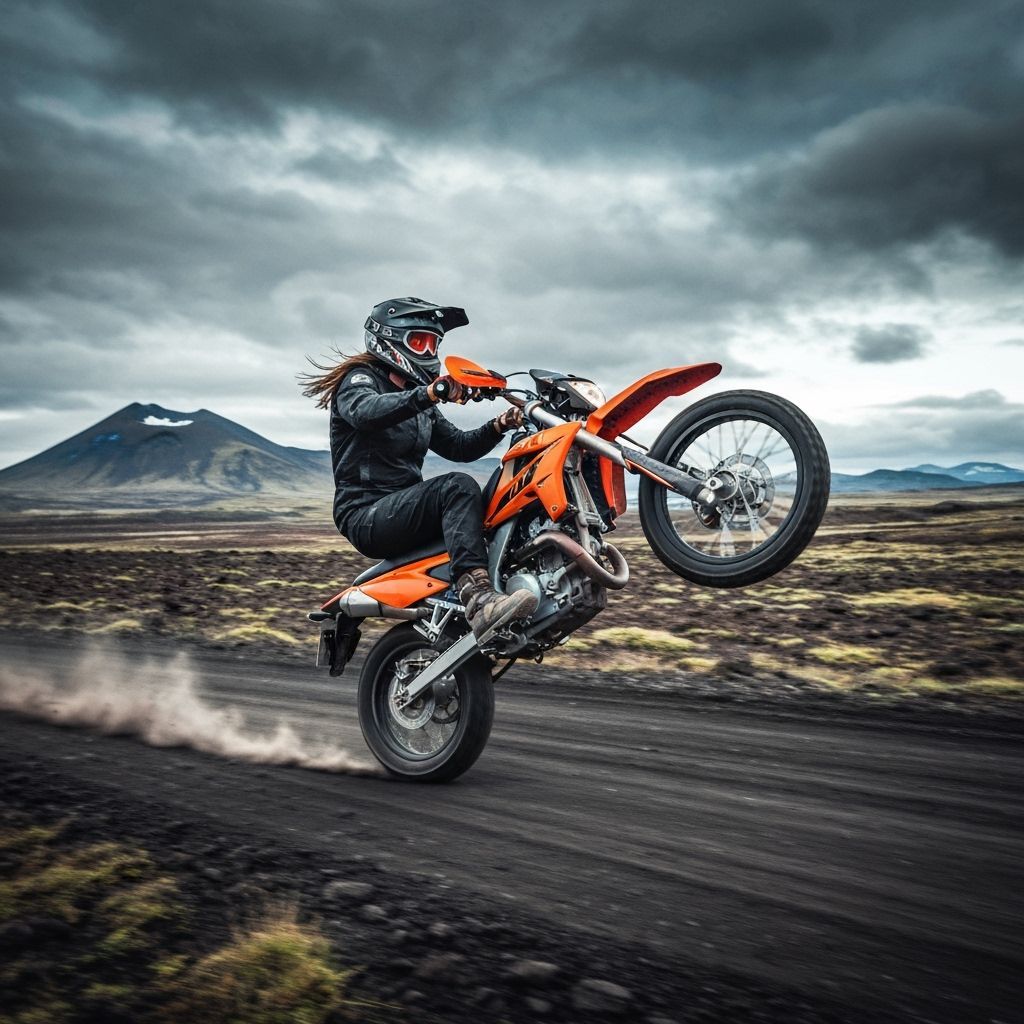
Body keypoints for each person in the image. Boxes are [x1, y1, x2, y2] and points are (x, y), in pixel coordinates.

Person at [300, 297, 538, 641]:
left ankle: (493, 592)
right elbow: (367, 412)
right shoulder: (359, 381)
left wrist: (501, 423)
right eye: (419, 342)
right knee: (457, 487)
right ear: (389, 339)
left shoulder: (417, 398)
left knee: (493, 503)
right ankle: (479, 602)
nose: (428, 351)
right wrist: (431, 392)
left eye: (433, 343)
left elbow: (458, 445)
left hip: (404, 508)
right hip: (366, 514)